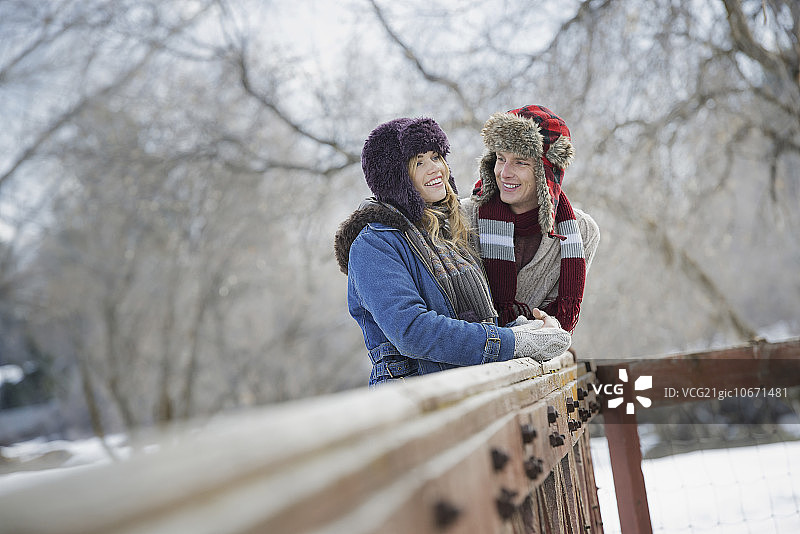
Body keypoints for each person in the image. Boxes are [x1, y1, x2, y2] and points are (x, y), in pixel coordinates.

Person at [334, 117, 572, 386]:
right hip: (415, 399)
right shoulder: (375, 244)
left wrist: (524, 332)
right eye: (418, 162)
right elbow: (413, 331)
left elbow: (467, 325)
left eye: (436, 156)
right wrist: (513, 343)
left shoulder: (448, 232)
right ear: (394, 177)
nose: (435, 168)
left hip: (466, 388)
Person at [461, 105, 600, 332]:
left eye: (520, 162)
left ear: (547, 172)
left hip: (535, 361)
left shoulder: (582, 232)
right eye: (500, 158)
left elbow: (556, 322)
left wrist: (550, 325)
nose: (504, 173)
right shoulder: (463, 218)